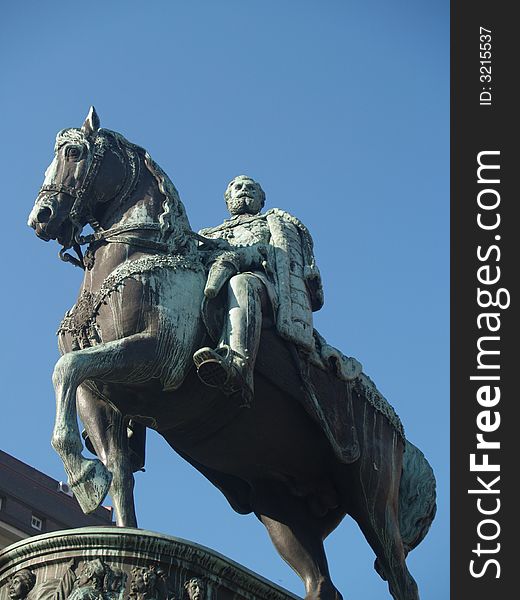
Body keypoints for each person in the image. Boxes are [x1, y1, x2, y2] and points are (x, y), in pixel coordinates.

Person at [193, 175, 323, 405]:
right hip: (209, 284)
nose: (245, 191)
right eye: (238, 187)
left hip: (262, 285)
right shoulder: (207, 233)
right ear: (228, 198)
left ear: (261, 200)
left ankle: (237, 366)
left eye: (252, 189)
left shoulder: (271, 224)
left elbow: (282, 258)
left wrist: (247, 255)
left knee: (240, 284)